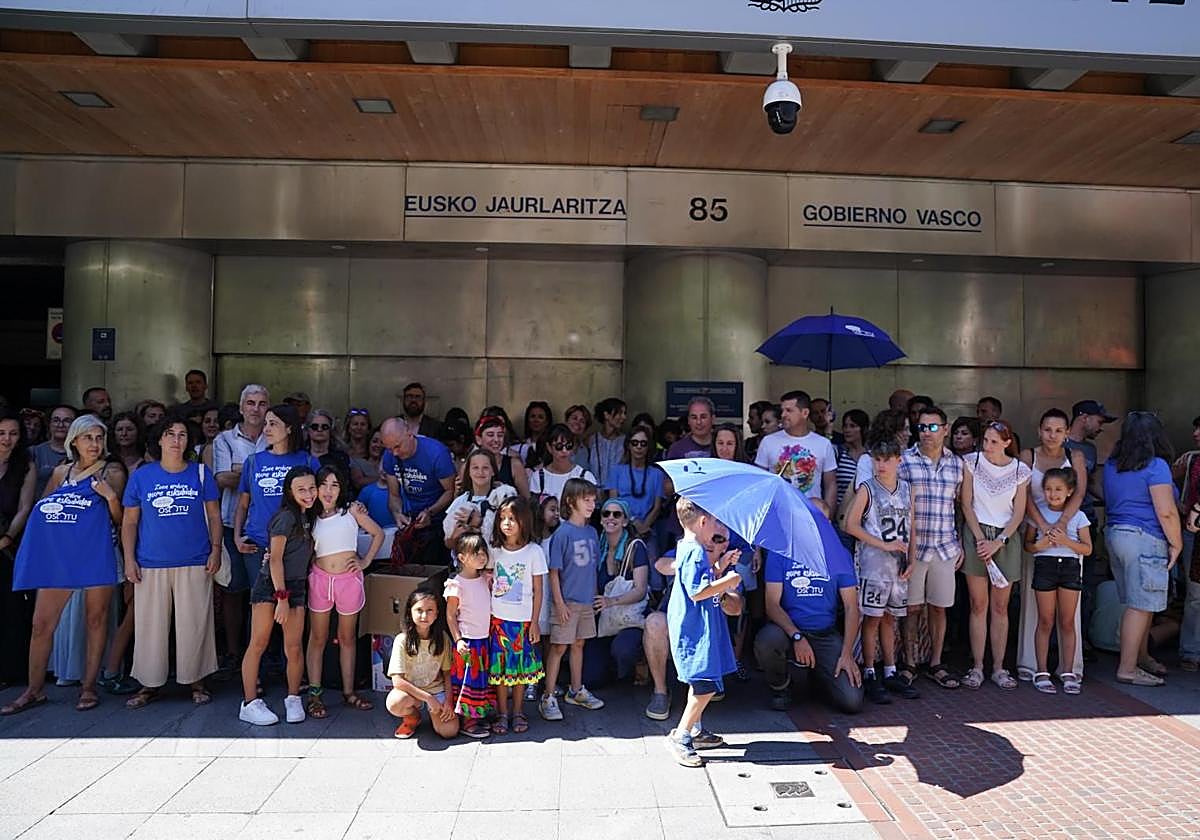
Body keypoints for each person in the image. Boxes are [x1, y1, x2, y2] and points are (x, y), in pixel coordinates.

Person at [1, 415, 125, 715]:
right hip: (61, 559)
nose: (94, 444)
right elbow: (44, 515)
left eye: (98, 437)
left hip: (98, 555)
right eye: (87, 437)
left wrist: (110, 498)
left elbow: (122, 522)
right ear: (74, 441)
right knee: (41, 624)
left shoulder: (113, 471)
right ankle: (33, 690)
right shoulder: (60, 472)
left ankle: (88, 688)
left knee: (96, 621)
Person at [120, 412, 221, 709]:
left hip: (195, 559)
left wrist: (216, 549)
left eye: (182, 435)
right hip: (151, 560)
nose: (177, 440)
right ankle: (148, 684)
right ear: (159, 439)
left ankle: (197, 681)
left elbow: (214, 516)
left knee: (195, 624)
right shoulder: (141, 476)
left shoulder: (200, 473)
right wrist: (129, 559)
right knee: (150, 627)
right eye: (170, 434)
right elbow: (129, 522)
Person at [754, 499, 863, 714]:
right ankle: (781, 687)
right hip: (788, 630)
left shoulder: (839, 554)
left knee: (852, 702)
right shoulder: (781, 553)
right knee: (767, 640)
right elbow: (772, 605)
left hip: (824, 633)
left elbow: (852, 607)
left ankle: (819, 679)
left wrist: (847, 653)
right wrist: (796, 636)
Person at [1103, 411, 1182, 687]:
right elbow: (1166, 511)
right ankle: (1127, 668)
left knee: (1139, 602)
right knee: (1140, 605)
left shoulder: (1113, 465)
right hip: (1144, 537)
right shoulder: (1156, 465)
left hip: (1115, 534)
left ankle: (1142, 657)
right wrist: (1176, 542)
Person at [664, 498, 743, 767]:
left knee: (700, 680)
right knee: (705, 684)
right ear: (702, 522)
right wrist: (727, 581)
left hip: (696, 625)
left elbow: (699, 580)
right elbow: (698, 592)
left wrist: (720, 566)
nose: (718, 527)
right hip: (694, 628)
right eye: (716, 521)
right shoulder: (694, 551)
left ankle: (695, 731)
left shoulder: (690, 549)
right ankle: (682, 735)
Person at [238, 466, 318, 726]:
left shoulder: (309, 516)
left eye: (311, 488)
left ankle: (293, 697)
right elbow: (274, 560)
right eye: (301, 489)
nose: (308, 494)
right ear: (290, 492)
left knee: (293, 646)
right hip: (271, 586)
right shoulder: (285, 517)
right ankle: (249, 703)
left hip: (297, 586)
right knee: (258, 643)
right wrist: (281, 598)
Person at [1016, 409, 1089, 683]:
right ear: (1039, 430)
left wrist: (1063, 523)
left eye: (1059, 430)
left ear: (1067, 432)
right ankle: (1032, 663)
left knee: (1070, 610)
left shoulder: (1076, 456)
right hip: (1036, 531)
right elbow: (1024, 494)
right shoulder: (1028, 455)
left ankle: (1069, 667)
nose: (1053, 435)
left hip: (1067, 535)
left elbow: (1080, 491)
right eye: (1048, 429)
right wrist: (1044, 526)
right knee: (1033, 602)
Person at [303, 465, 382, 717]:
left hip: (349, 579)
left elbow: (378, 533)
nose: (328, 490)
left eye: (334, 485)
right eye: (323, 484)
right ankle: (315, 694)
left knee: (347, 638)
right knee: (318, 638)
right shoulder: (309, 516)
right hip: (320, 579)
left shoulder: (351, 512)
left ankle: (349, 692)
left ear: (342, 489)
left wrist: (365, 561)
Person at [845, 439, 918, 704]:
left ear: (899, 460)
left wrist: (912, 559)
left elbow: (912, 527)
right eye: (877, 459)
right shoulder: (867, 489)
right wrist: (883, 544)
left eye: (886, 459)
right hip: (873, 564)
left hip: (897, 566)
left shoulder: (908, 490)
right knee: (872, 619)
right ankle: (869, 671)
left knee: (891, 618)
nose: (881, 465)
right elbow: (850, 525)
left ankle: (889, 670)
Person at [960, 419, 1031, 691]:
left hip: (1005, 539)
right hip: (976, 534)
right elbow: (966, 503)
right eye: (985, 440)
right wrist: (980, 539)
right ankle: (977, 666)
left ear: (1007, 443)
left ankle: (999, 667)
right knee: (978, 604)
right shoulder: (972, 462)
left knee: (1000, 607)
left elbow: (1019, 512)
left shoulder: (1019, 471)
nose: (987, 446)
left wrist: (999, 541)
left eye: (993, 441)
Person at [899, 407, 965, 690]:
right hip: (915, 548)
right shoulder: (904, 461)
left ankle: (936, 662)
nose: (926, 432)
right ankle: (910, 663)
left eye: (933, 427)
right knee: (911, 609)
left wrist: (960, 541)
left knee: (940, 609)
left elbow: (963, 506)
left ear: (946, 429)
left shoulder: (958, 464)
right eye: (922, 427)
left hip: (945, 546)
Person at [233, 405, 320, 619]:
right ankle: (260, 653)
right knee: (260, 608)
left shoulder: (308, 461)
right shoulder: (254, 462)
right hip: (258, 543)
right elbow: (243, 503)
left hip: (295, 548)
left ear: (289, 428)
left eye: (273, 424)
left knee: (290, 609)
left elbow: (322, 501)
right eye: (266, 424)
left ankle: (286, 655)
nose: (266, 429)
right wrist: (236, 537)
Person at [211, 384, 269, 673]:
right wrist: (261, 474)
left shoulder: (274, 435)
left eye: (261, 403)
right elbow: (221, 478)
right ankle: (234, 653)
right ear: (241, 406)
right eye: (250, 403)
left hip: (266, 528)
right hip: (230, 522)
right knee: (233, 590)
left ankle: (259, 656)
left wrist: (241, 471)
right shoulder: (224, 439)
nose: (256, 409)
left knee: (262, 594)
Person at [541, 477, 605, 720]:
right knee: (558, 647)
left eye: (592, 500)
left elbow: (592, 567)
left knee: (579, 644)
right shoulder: (562, 534)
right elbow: (554, 572)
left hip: (586, 601)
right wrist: (559, 603)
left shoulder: (591, 531)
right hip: (566, 602)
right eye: (585, 500)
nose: (591, 504)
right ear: (570, 501)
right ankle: (548, 696)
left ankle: (576, 690)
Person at [1023, 468, 1091, 695]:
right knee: (1045, 620)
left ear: (1070, 491)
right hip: (1045, 566)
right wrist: (1040, 546)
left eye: (1059, 489)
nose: (1053, 494)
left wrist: (1065, 541)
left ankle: (1068, 671)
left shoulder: (1078, 516)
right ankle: (1041, 670)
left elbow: (1087, 548)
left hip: (1070, 567)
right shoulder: (1039, 515)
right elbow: (1029, 544)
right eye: (1049, 489)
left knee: (1068, 621)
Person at [487, 496, 546, 735]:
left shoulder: (534, 552)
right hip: (497, 621)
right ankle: (502, 713)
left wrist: (534, 623)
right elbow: (486, 578)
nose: (507, 524)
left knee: (519, 671)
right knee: (501, 671)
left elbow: (539, 590)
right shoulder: (495, 552)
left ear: (524, 521)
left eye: (512, 518)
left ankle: (518, 711)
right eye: (502, 519)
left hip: (522, 623)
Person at [380, 417, 457, 566]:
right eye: (389, 448)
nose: (394, 453)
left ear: (409, 434)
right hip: (412, 521)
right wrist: (397, 513)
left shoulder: (436, 453)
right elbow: (394, 495)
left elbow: (450, 491)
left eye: (397, 446)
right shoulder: (389, 455)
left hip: (439, 522)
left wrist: (431, 512)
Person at [386, 588, 460, 739]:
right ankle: (412, 717)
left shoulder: (442, 638)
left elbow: (446, 674)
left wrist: (448, 701)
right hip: (412, 693)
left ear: (437, 613)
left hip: (436, 690)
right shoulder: (402, 640)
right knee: (395, 702)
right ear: (410, 612)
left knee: (449, 731)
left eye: (429, 610)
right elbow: (397, 681)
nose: (424, 615)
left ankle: (435, 714)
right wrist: (427, 698)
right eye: (419, 610)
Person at [444, 531, 495, 738]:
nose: (482, 557)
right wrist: (458, 640)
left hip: (484, 639)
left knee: (481, 680)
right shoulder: (456, 584)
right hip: (468, 641)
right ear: (462, 557)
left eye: (483, 552)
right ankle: (468, 721)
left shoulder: (485, 579)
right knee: (468, 681)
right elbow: (450, 616)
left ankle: (479, 714)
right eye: (476, 553)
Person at [0, 411, 37, 688]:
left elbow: (25, 506)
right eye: (1, 433)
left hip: (10, 544)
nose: (7, 439)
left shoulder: (25, 463)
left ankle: (9, 671)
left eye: (13, 433)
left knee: (10, 608)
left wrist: (8, 536)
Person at [755, 390, 838, 514]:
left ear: (805, 413)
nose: (783, 415)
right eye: (783, 410)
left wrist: (828, 516)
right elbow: (759, 482)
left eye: (789, 410)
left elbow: (830, 484)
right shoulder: (768, 442)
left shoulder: (823, 444)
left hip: (811, 515)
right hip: (777, 513)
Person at [607, 427, 664, 560]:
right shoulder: (616, 471)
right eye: (635, 443)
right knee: (619, 574)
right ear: (628, 445)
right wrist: (632, 521)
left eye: (643, 443)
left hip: (647, 530)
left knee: (654, 577)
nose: (639, 447)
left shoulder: (657, 474)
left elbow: (657, 507)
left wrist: (643, 527)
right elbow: (613, 502)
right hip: (620, 528)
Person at [443, 448, 517, 551]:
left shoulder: (504, 496)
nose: (480, 472)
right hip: (466, 563)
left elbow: (513, 535)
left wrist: (479, 523)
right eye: (475, 468)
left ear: (493, 471)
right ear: (468, 471)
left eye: (485, 468)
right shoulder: (460, 501)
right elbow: (448, 543)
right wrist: (454, 537)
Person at [1177, 415, 1200, 671]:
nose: (1195, 433)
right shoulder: (1192, 459)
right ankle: (1191, 651)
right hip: (1193, 531)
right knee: (1195, 593)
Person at [527, 423, 596, 501]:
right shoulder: (538, 477)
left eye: (568, 446)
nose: (564, 451)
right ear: (549, 447)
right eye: (559, 447)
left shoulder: (585, 476)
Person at [473, 415, 530, 499]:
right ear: (479, 439)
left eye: (500, 435)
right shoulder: (469, 465)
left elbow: (526, 499)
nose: (496, 440)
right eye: (490, 435)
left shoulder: (514, 465)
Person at [576, 397, 626, 491]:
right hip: (593, 493)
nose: (623, 417)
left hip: (618, 493)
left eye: (624, 413)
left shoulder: (625, 441)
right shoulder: (591, 440)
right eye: (619, 413)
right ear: (606, 415)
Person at [30, 404, 76, 497]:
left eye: (67, 421)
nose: (60, 425)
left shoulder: (83, 454)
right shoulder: (34, 452)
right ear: (49, 424)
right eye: (56, 420)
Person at [835, 409, 870, 517]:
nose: (847, 430)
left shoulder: (871, 457)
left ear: (863, 429)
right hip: (841, 515)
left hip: (865, 517)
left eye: (853, 426)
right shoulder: (838, 452)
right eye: (845, 426)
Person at [304, 408, 351, 476]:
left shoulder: (341, 458)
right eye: (315, 426)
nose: (319, 430)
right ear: (308, 430)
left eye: (324, 427)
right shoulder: (300, 455)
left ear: (331, 430)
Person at [344, 408, 374, 488]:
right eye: (355, 424)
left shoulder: (374, 451)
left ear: (368, 429)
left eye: (363, 424)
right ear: (348, 428)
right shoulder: (341, 451)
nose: (359, 427)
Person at [519, 401, 553, 465]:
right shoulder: (521, 445)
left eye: (540, 417)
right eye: (532, 416)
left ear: (547, 422)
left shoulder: (552, 446)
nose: (536, 420)